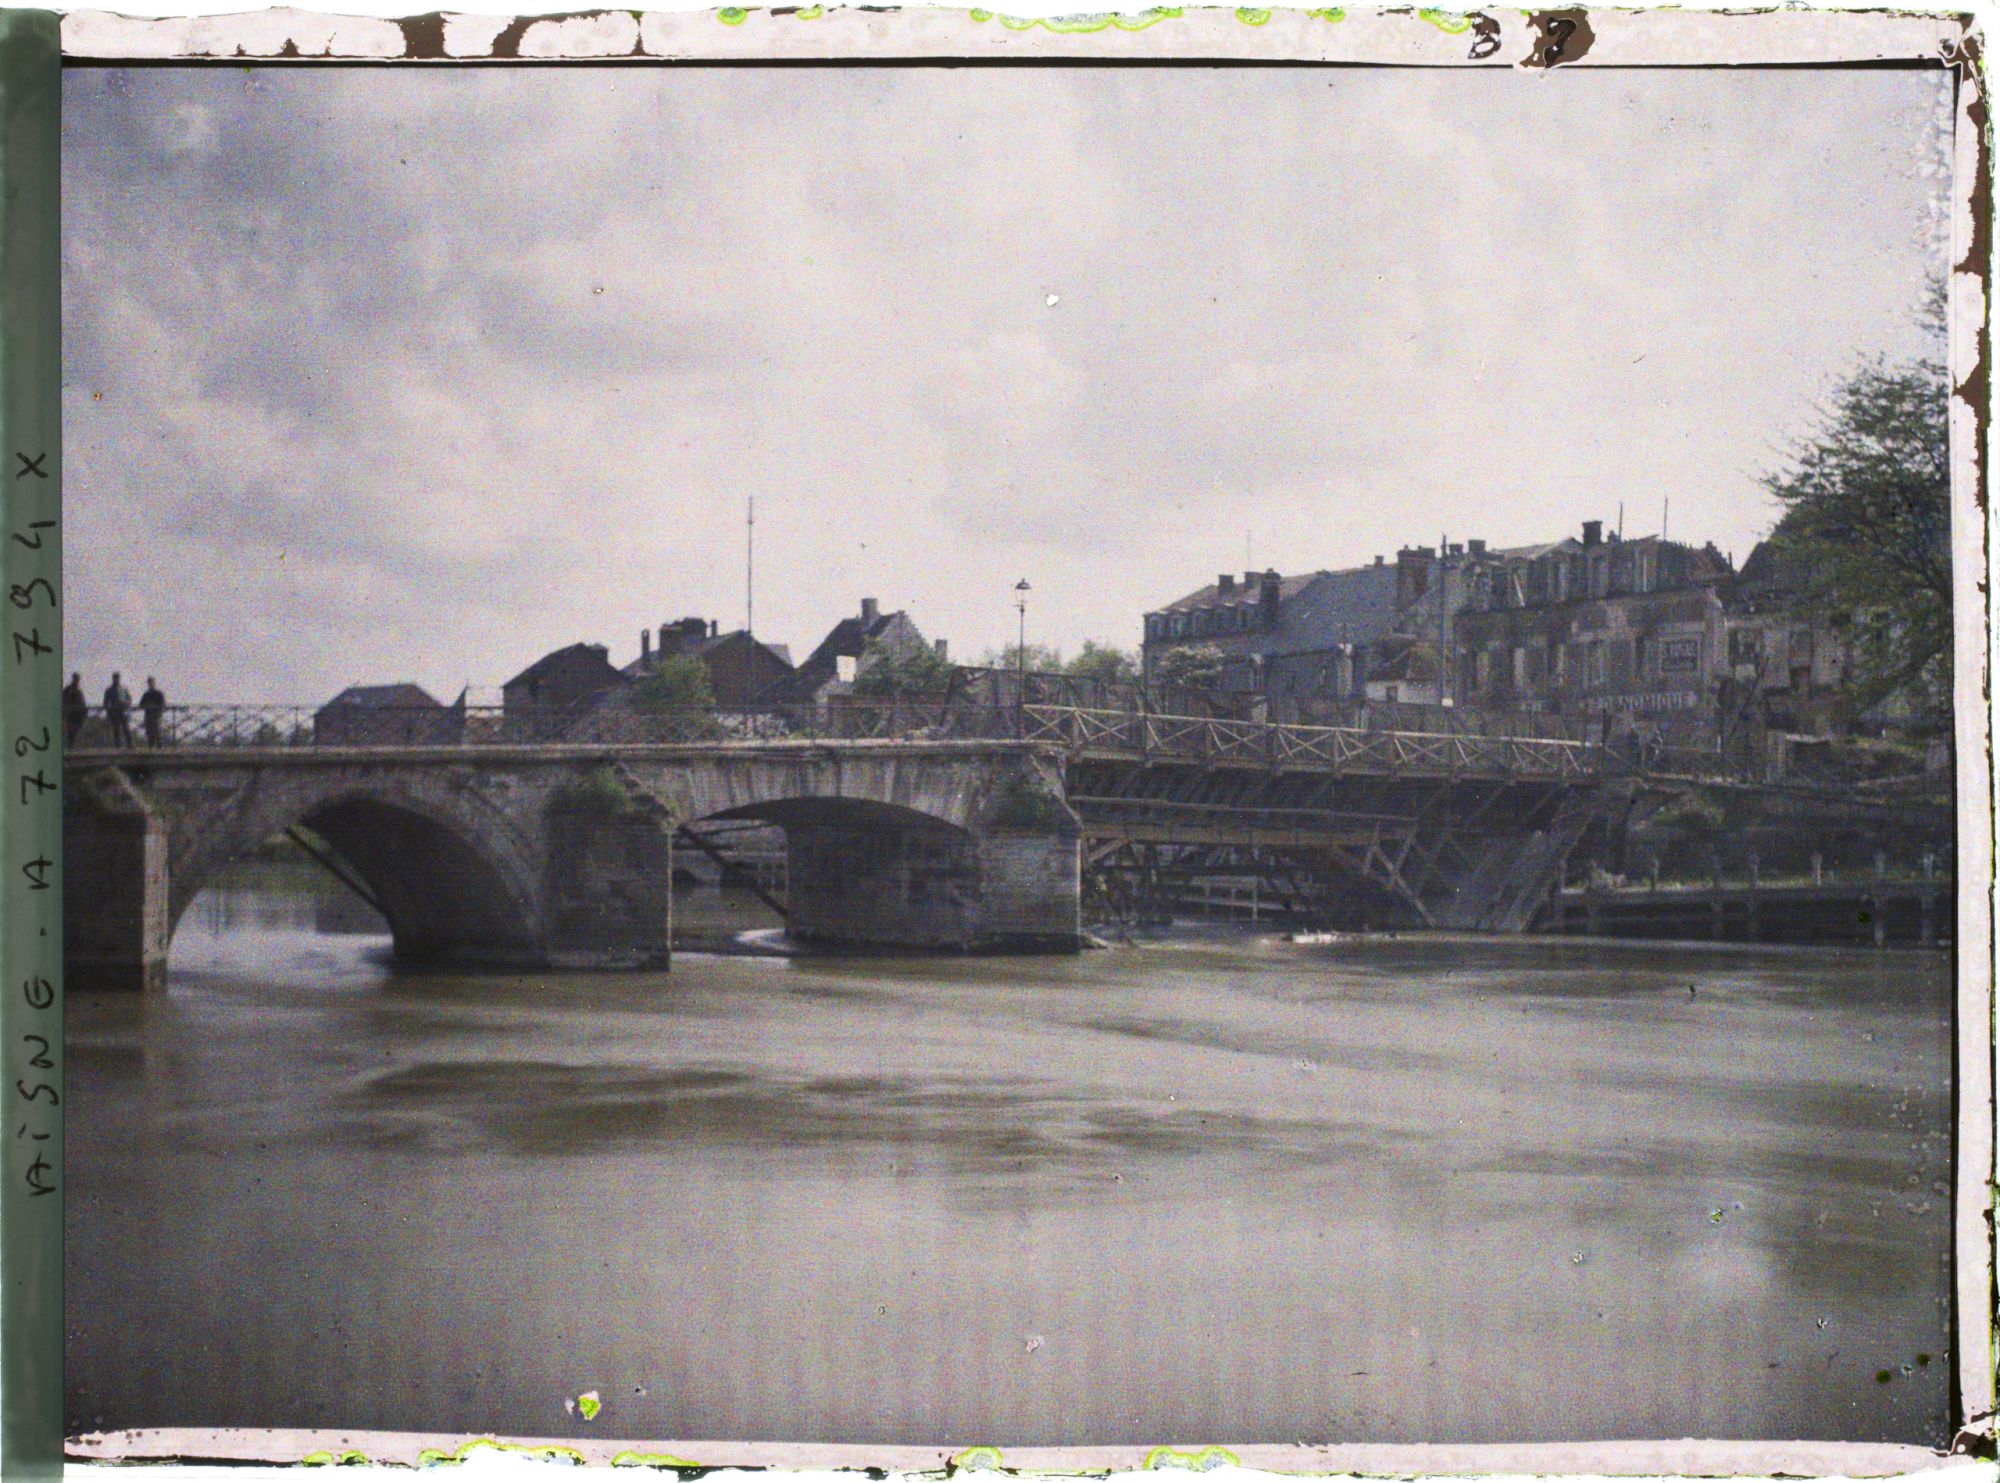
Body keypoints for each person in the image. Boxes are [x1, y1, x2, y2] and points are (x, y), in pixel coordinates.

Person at [102, 672, 132, 748]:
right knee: (116, 731)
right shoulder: (109, 690)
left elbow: (129, 699)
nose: (117, 680)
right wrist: (110, 710)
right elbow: (105, 703)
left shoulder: (124, 689)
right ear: (113, 679)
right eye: (115, 678)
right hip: (114, 714)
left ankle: (130, 745)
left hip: (124, 713)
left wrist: (126, 704)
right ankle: (117, 746)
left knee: (126, 729)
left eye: (118, 678)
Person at [139, 677, 166, 749]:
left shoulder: (159, 693)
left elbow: (162, 704)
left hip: (156, 716)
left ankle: (159, 747)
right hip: (148, 716)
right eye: (149, 683)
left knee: (157, 731)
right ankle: (150, 747)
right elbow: (141, 705)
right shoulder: (146, 694)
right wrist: (147, 706)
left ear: (154, 683)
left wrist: (155, 707)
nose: (150, 684)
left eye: (151, 683)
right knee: (149, 732)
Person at [62, 673, 87, 746]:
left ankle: (72, 744)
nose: (77, 681)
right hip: (71, 714)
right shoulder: (68, 689)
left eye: (78, 679)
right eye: (76, 679)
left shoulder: (79, 690)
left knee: (76, 729)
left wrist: (84, 710)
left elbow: (82, 702)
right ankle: (70, 745)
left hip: (79, 714)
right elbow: (64, 700)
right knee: (71, 730)